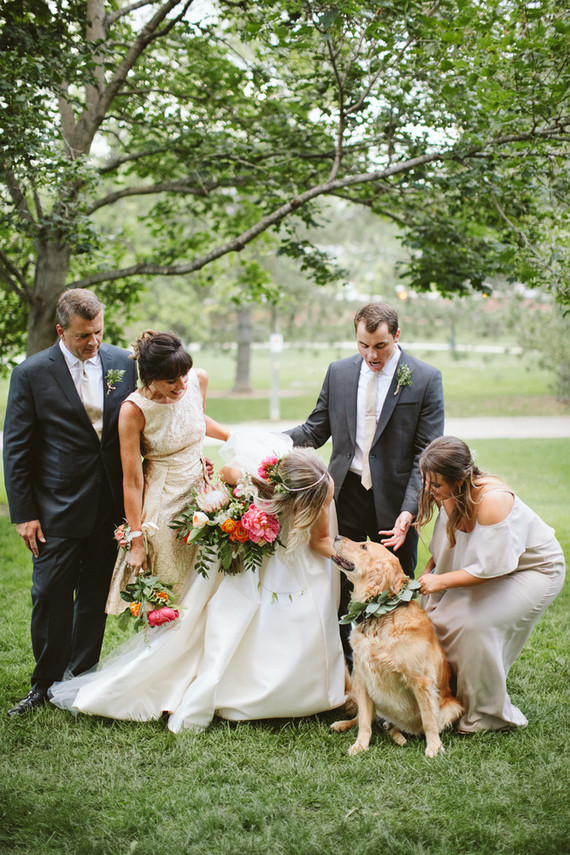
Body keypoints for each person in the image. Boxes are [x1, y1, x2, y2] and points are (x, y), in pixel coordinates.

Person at [49, 440, 346, 732]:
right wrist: (244, 507)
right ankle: (246, 692)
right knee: (237, 617)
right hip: (253, 557)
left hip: (291, 556)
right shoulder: (258, 475)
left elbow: (320, 539)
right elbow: (229, 474)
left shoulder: (322, 485)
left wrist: (351, 557)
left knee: (295, 617)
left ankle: (304, 690)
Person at [3, 288, 138, 716]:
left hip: (108, 506)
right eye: (83, 335)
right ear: (61, 330)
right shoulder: (31, 374)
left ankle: (82, 679)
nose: (93, 342)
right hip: (56, 507)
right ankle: (44, 683)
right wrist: (24, 514)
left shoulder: (123, 364)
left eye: (98, 332)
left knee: (95, 593)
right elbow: (18, 449)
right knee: (50, 595)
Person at [287, 301, 444, 659]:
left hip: (397, 502)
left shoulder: (425, 378)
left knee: (396, 589)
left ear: (397, 336)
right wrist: (271, 444)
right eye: (363, 345)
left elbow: (426, 454)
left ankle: (397, 663)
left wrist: (409, 511)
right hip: (346, 493)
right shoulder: (339, 373)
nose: (371, 355)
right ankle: (349, 673)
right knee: (343, 585)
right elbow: (315, 429)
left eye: (380, 346)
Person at [416, 436, 565, 733]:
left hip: (533, 570)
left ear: (459, 480)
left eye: (436, 484)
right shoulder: (449, 493)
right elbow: (450, 546)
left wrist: (441, 581)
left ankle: (486, 715)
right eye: (426, 482)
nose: (428, 491)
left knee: (474, 624)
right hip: (488, 565)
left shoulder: (493, 501)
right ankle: (453, 698)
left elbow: (493, 569)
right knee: (437, 616)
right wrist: (431, 571)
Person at [105, 330, 230, 614]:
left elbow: (194, 418)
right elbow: (133, 481)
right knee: (171, 593)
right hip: (163, 507)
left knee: (210, 588)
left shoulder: (198, 380)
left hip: (205, 496)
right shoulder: (133, 410)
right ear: (149, 377)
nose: (181, 385)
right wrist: (136, 540)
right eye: (170, 381)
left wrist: (230, 437)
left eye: (183, 375)